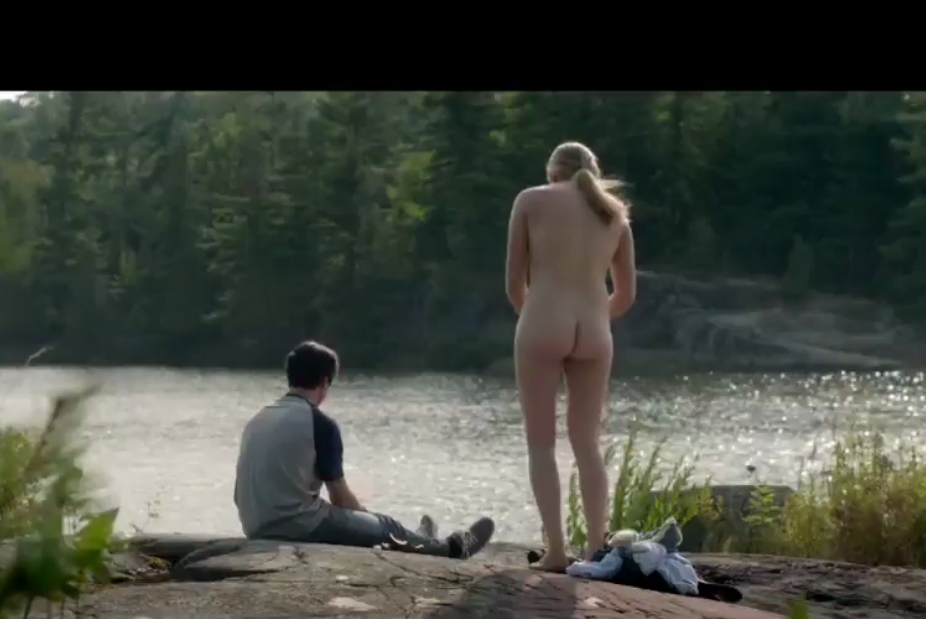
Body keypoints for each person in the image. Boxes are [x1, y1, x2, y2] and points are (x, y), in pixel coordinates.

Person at [234, 340, 495, 559]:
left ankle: (420, 539)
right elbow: (341, 499)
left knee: (366, 523)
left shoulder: (259, 418)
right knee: (385, 526)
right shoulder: (319, 424)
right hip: (295, 526)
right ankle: (451, 549)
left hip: (254, 525)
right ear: (324, 382)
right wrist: (372, 520)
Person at [505, 141, 637, 573]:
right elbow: (625, 295)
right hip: (595, 332)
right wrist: (596, 316)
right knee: (587, 444)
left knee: (541, 443)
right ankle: (597, 550)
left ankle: (557, 552)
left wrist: (537, 322)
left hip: (543, 323)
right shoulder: (614, 213)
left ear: (552, 173)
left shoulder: (530, 200)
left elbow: (514, 283)